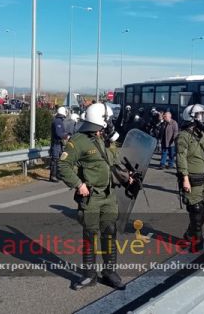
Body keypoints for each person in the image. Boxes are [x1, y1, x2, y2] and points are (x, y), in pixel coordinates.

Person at [58, 103, 130, 290]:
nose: (110, 122)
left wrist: (127, 177)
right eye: (108, 119)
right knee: (90, 235)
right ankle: (89, 275)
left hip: (108, 195)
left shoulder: (105, 139)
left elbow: (114, 162)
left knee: (109, 234)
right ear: (99, 120)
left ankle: (109, 272)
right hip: (91, 197)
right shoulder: (78, 140)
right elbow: (63, 166)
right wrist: (78, 184)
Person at [177, 104, 204, 249]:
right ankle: (197, 240)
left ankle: (190, 233)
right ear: (191, 116)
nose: (202, 117)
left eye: (202, 114)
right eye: (199, 114)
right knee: (195, 207)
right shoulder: (184, 135)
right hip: (192, 175)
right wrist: (185, 178)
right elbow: (181, 157)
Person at [50, 107, 68, 182]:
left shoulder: (59, 120)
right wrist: (66, 135)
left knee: (60, 160)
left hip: (58, 143)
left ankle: (57, 175)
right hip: (56, 143)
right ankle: (53, 176)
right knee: (55, 160)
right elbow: (59, 133)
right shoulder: (58, 121)